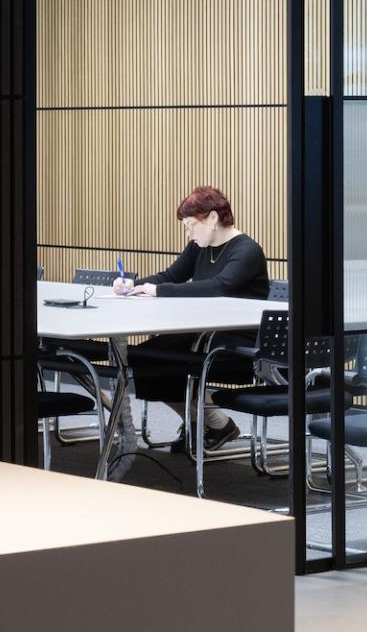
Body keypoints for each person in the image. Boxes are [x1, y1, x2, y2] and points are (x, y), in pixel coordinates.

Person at [115, 185, 270, 456]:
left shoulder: (247, 250)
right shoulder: (199, 247)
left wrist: (158, 291)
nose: (189, 233)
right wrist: (133, 285)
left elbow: (219, 286)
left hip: (237, 341)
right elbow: (169, 276)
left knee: (165, 357)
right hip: (204, 333)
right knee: (145, 355)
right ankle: (209, 422)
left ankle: (211, 423)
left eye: (190, 226)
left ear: (212, 218)